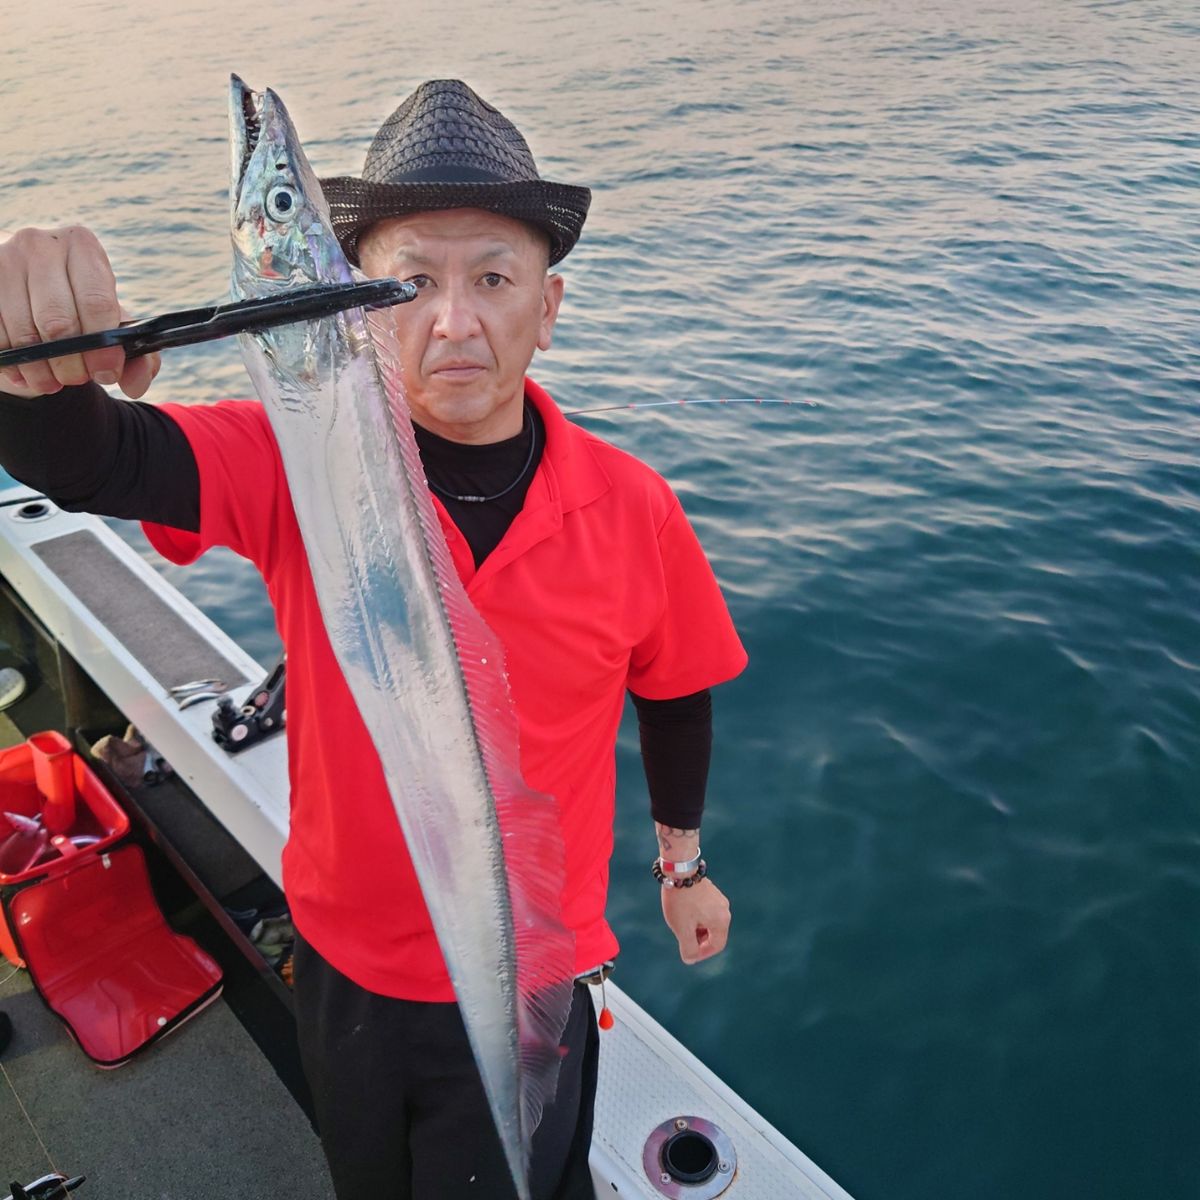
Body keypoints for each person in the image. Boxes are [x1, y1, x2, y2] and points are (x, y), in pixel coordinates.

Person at [0, 80, 747, 1199]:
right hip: (346, 966)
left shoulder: (634, 506)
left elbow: (678, 687)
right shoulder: (292, 458)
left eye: (493, 278)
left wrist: (682, 865)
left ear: (547, 308)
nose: (454, 320)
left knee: (527, 1174)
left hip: (540, 951)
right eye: (411, 282)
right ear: (354, 306)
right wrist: (34, 365)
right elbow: (89, 459)